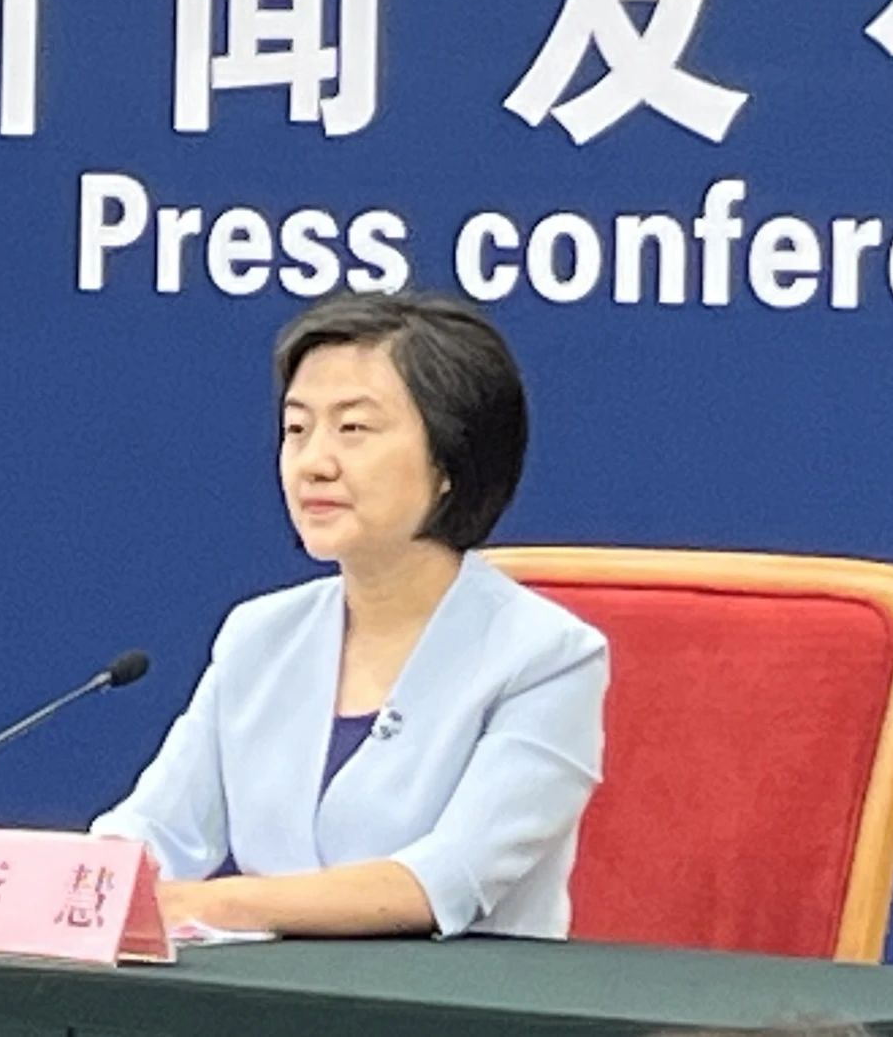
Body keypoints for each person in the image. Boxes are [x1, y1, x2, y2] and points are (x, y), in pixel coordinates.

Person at [93, 290, 608, 938]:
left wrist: (211, 905)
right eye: (297, 429)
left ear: (449, 460)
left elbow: (442, 881)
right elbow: (156, 829)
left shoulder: (547, 656)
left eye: (353, 429)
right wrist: (83, 885)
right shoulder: (259, 635)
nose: (313, 463)